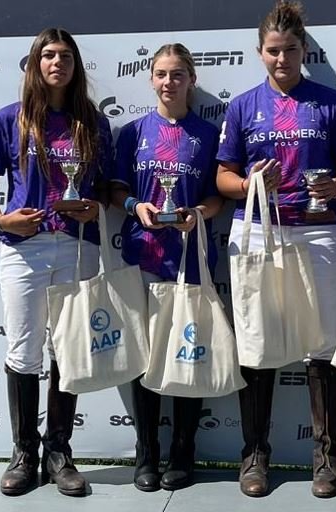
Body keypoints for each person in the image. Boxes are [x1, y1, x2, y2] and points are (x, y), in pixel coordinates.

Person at [216, 1, 336, 499]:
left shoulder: (331, 103)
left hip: (318, 231)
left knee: (323, 344)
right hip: (257, 232)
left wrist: (335, 187)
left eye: (290, 50)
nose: (281, 59)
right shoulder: (242, 105)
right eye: (273, 51)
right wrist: (250, 180)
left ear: (304, 50)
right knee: (256, 343)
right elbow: (222, 178)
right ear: (260, 53)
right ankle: (254, 456)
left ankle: (327, 458)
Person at [0, 28, 113, 497]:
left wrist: (94, 206)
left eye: (66, 57)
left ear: (76, 67)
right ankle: (23, 452)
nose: (58, 63)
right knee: (24, 351)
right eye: (49, 55)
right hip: (25, 249)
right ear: (36, 63)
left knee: (70, 350)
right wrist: (3, 219)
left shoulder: (92, 121)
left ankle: (59, 451)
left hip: (78, 245)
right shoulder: (10, 119)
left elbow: (104, 189)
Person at [109, 43, 223, 492]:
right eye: (161, 74)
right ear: (150, 79)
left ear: (191, 79)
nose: (169, 82)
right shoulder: (133, 131)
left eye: (178, 74)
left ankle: (183, 449)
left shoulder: (208, 134)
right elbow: (116, 190)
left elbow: (219, 196)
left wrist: (199, 212)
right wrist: (136, 206)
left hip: (190, 257)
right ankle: (146, 453)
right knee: (145, 354)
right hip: (145, 255)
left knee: (186, 351)